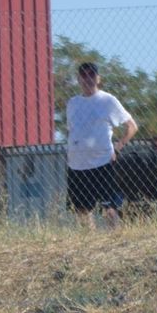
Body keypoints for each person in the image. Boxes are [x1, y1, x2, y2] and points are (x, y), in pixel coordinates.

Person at [65, 61, 137, 227]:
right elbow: (72, 131)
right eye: (84, 75)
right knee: (82, 209)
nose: (88, 78)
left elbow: (132, 127)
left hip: (102, 163)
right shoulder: (73, 103)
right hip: (77, 164)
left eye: (91, 74)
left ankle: (116, 238)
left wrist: (118, 148)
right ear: (78, 79)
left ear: (98, 78)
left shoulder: (108, 101)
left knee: (109, 207)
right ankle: (89, 240)